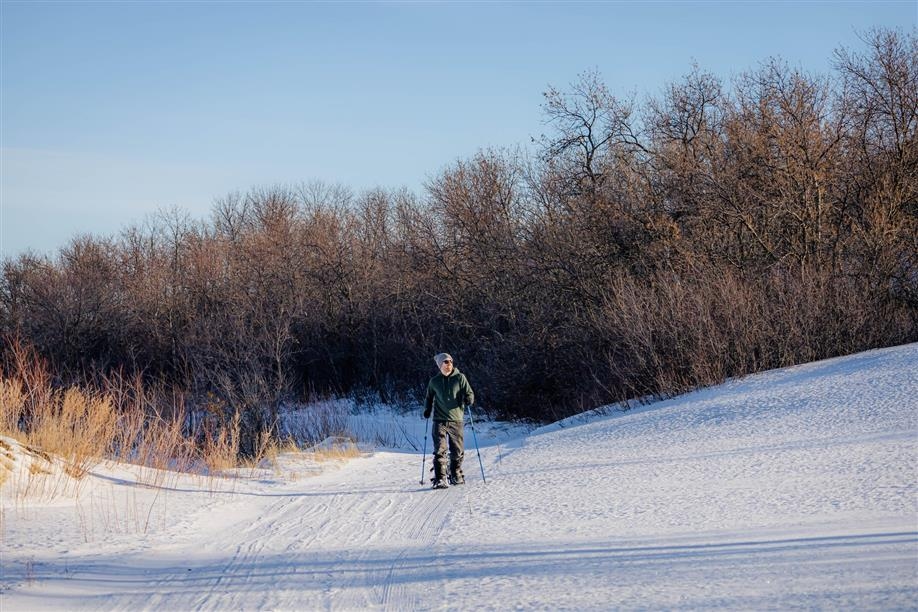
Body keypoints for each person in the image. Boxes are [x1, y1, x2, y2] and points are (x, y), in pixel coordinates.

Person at [423, 352, 474, 489]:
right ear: (440, 365)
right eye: (445, 362)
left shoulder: (460, 378)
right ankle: (440, 478)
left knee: (457, 450)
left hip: (456, 419)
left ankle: (455, 473)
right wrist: (427, 410)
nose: (448, 365)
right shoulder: (434, 381)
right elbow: (429, 398)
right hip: (439, 420)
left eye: (450, 362)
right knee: (440, 449)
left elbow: (469, 393)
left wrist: (469, 399)